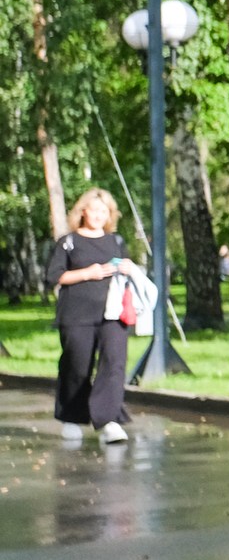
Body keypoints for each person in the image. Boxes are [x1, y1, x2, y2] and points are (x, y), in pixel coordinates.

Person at [48, 189, 132, 446]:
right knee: (77, 365)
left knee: (114, 363)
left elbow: (127, 272)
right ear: (83, 212)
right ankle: (72, 418)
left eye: (104, 211)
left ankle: (109, 420)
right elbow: (54, 276)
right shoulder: (68, 242)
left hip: (113, 314)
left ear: (110, 215)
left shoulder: (116, 241)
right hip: (76, 313)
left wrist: (129, 268)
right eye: (94, 210)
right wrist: (87, 273)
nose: (98, 215)